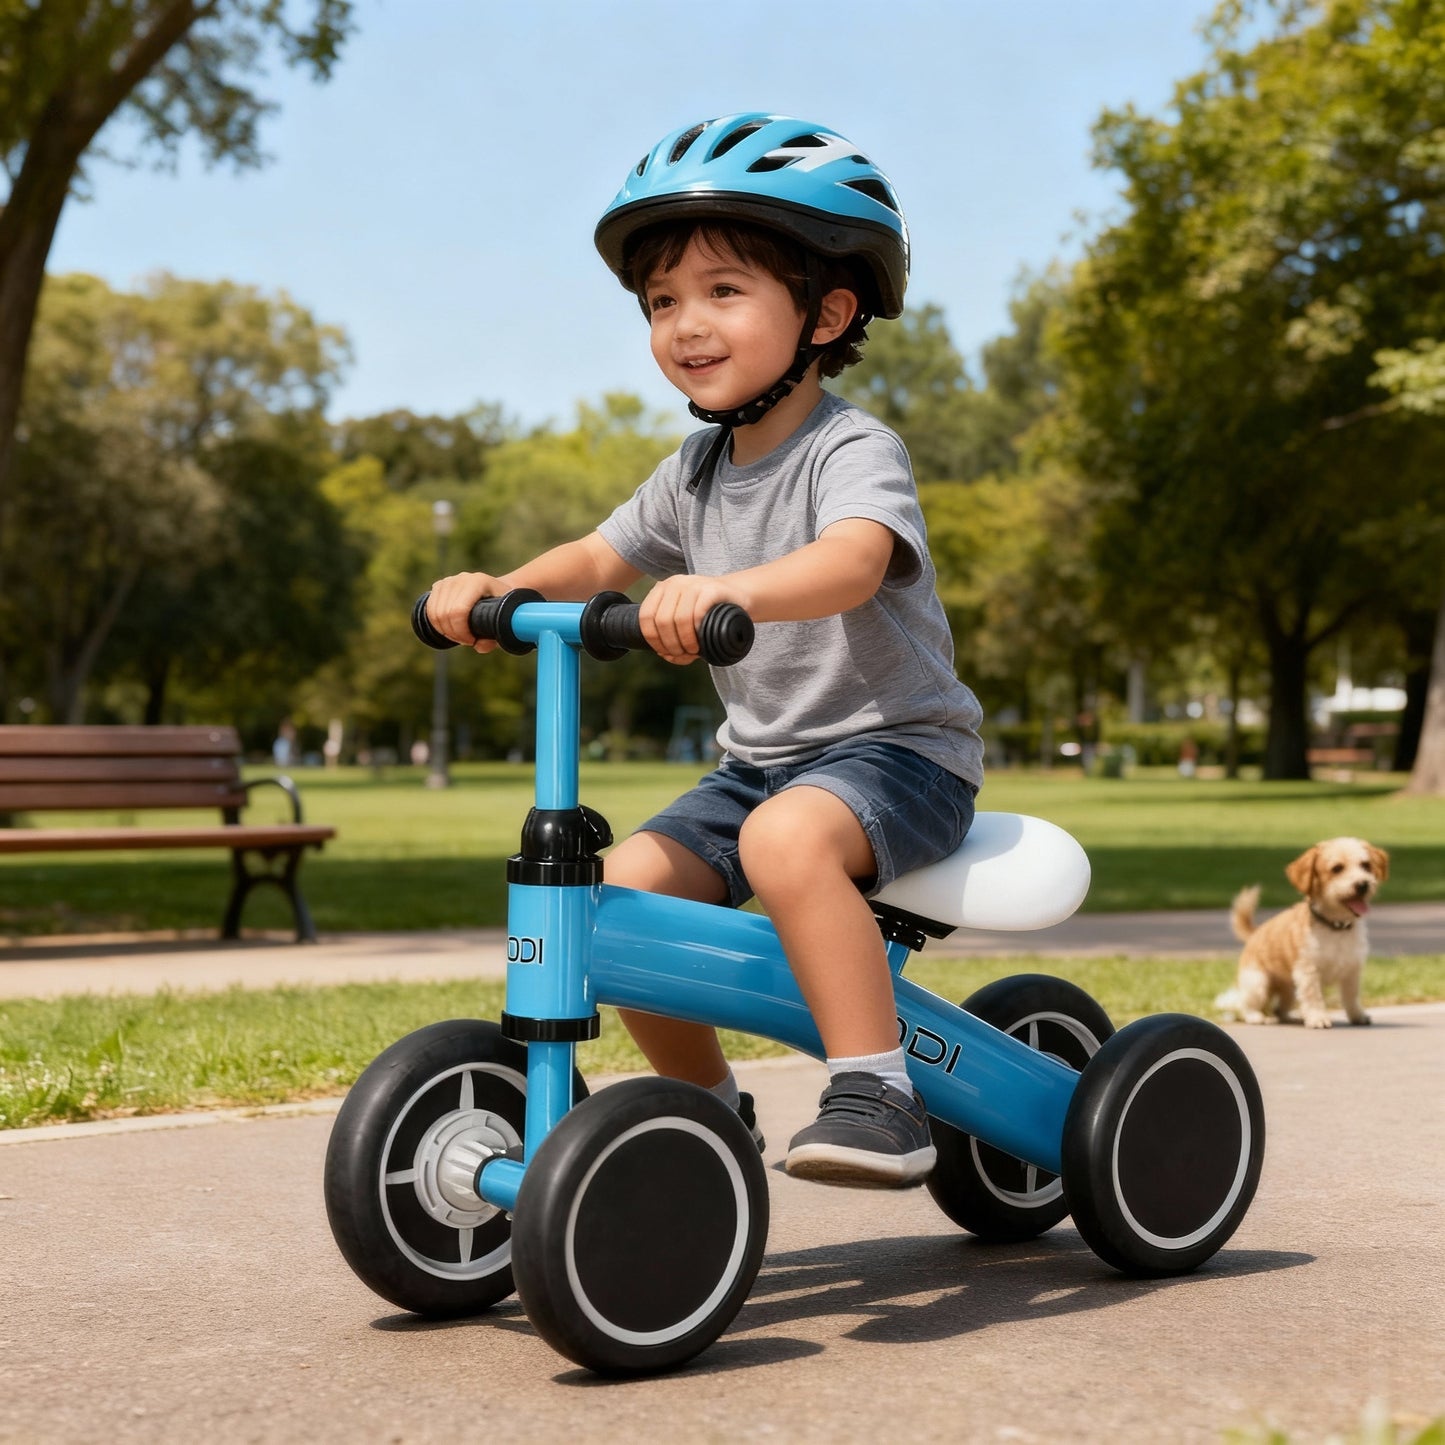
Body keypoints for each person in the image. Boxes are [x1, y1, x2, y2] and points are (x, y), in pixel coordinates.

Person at [427, 113, 985, 1187]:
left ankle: (879, 1088)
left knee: (784, 844)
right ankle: (707, 1111)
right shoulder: (689, 469)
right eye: (662, 301)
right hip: (762, 767)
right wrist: (500, 589)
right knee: (617, 895)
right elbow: (597, 557)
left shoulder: (851, 445)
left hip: (897, 756)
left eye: (724, 291)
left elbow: (854, 560)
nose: (686, 323)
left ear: (826, 311)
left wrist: (728, 587)